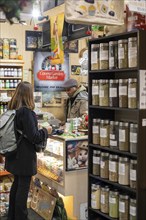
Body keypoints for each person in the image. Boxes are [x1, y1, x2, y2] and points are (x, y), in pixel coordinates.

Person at [5, 81, 52, 220]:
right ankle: (21, 217)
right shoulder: (26, 112)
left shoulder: (12, 110)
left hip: (13, 153)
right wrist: (46, 130)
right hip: (24, 156)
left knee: (16, 185)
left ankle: (12, 216)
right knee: (23, 189)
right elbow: (35, 137)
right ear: (29, 95)